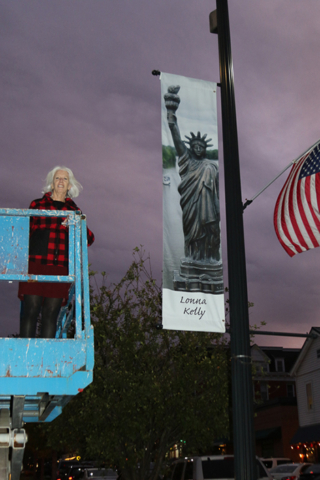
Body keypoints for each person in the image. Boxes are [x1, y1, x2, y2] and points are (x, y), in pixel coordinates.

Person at [18, 166, 94, 338]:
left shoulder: (75, 211)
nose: (61, 181)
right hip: (36, 264)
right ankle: (26, 358)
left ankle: (45, 360)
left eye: (65, 179)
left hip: (60, 267)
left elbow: (88, 239)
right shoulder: (36, 204)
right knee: (30, 309)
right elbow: (24, 232)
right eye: (57, 178)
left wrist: (73, 224)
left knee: (51, 314)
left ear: (69, 186)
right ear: (51, 184)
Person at [164, 85, 221, 263]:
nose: (197, 148)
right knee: (192, 232)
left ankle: (210, 257)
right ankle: (192, 257)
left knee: (211, 230)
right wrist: (171, 111)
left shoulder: (211, 165)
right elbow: (175, 135)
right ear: (191, 148)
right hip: (191, 205)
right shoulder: (186, 159)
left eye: (201, 147)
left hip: (209, 206)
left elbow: (217, 191)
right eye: (194, 146)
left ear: (204, 149)